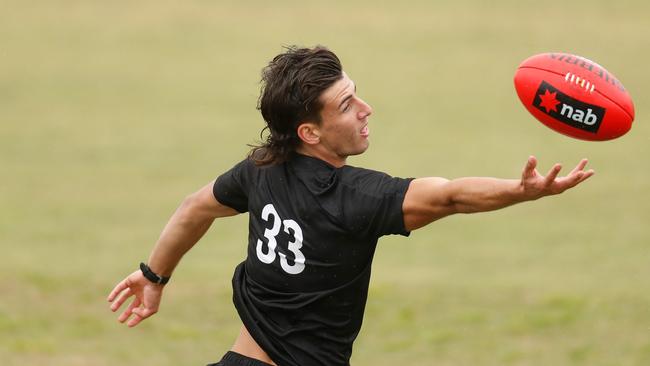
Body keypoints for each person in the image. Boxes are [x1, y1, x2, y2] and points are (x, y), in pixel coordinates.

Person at [107, 45, 594, 366]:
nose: (366, 109)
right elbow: (449, 196)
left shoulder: (260, 169)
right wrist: (521, 190)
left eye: (356, 94)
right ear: (310, 133)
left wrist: (153, 276)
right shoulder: (355, 198)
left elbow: (195, 207)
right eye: (346, 104)